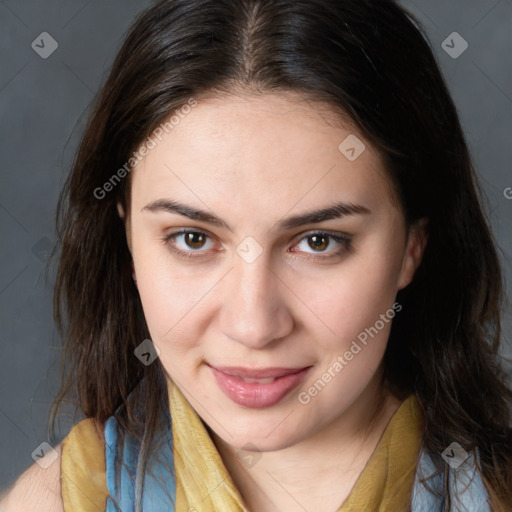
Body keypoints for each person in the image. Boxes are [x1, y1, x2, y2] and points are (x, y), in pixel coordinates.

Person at [1, 0, 511, 510]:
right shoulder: (59, 500)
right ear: (129, 239)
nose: (253, 325)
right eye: (193, 239)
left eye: (318, 241)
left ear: (411, 248)